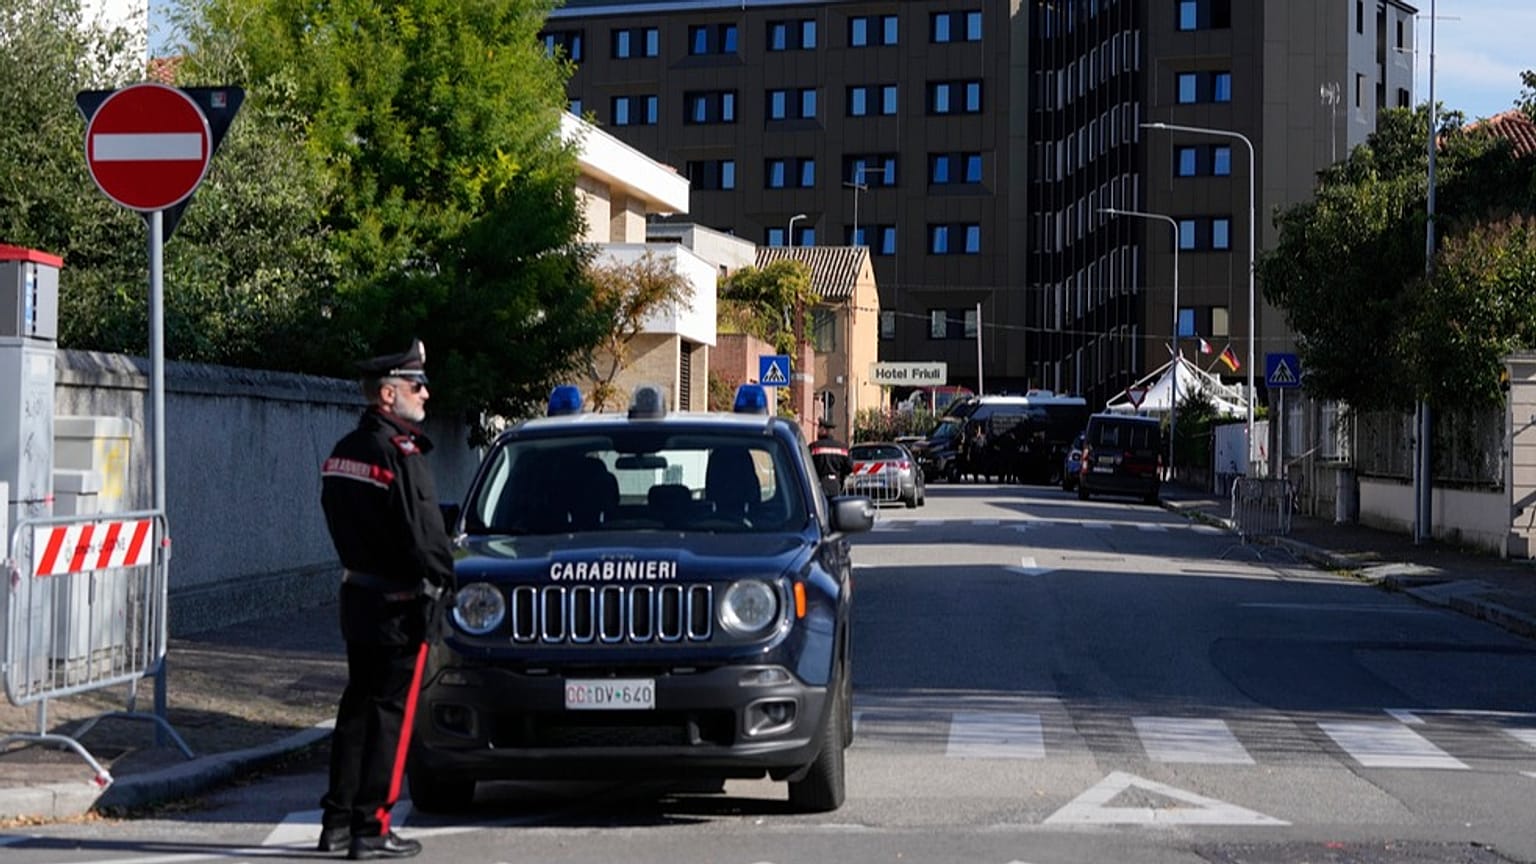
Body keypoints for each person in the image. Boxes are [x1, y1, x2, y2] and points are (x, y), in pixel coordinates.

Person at [317, 339, 455, 860]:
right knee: (391, 720)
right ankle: (372, 827)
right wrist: (448, 585)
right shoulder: (401, 453)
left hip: (357, 595)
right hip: (400, 604)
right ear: (387, 394)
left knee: (357, 709)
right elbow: (425, 536)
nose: (424, 394)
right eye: (416, 385)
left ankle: (335, 822)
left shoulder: (343, 451)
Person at [810, 417, 854, 499]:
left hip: (819, 485)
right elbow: (850, 467)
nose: (817, 431)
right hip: (836, 485)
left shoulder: (813, 447)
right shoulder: (842, 448)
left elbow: (808, 465)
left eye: (819, 429)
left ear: (823, 430)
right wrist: (840, 475)